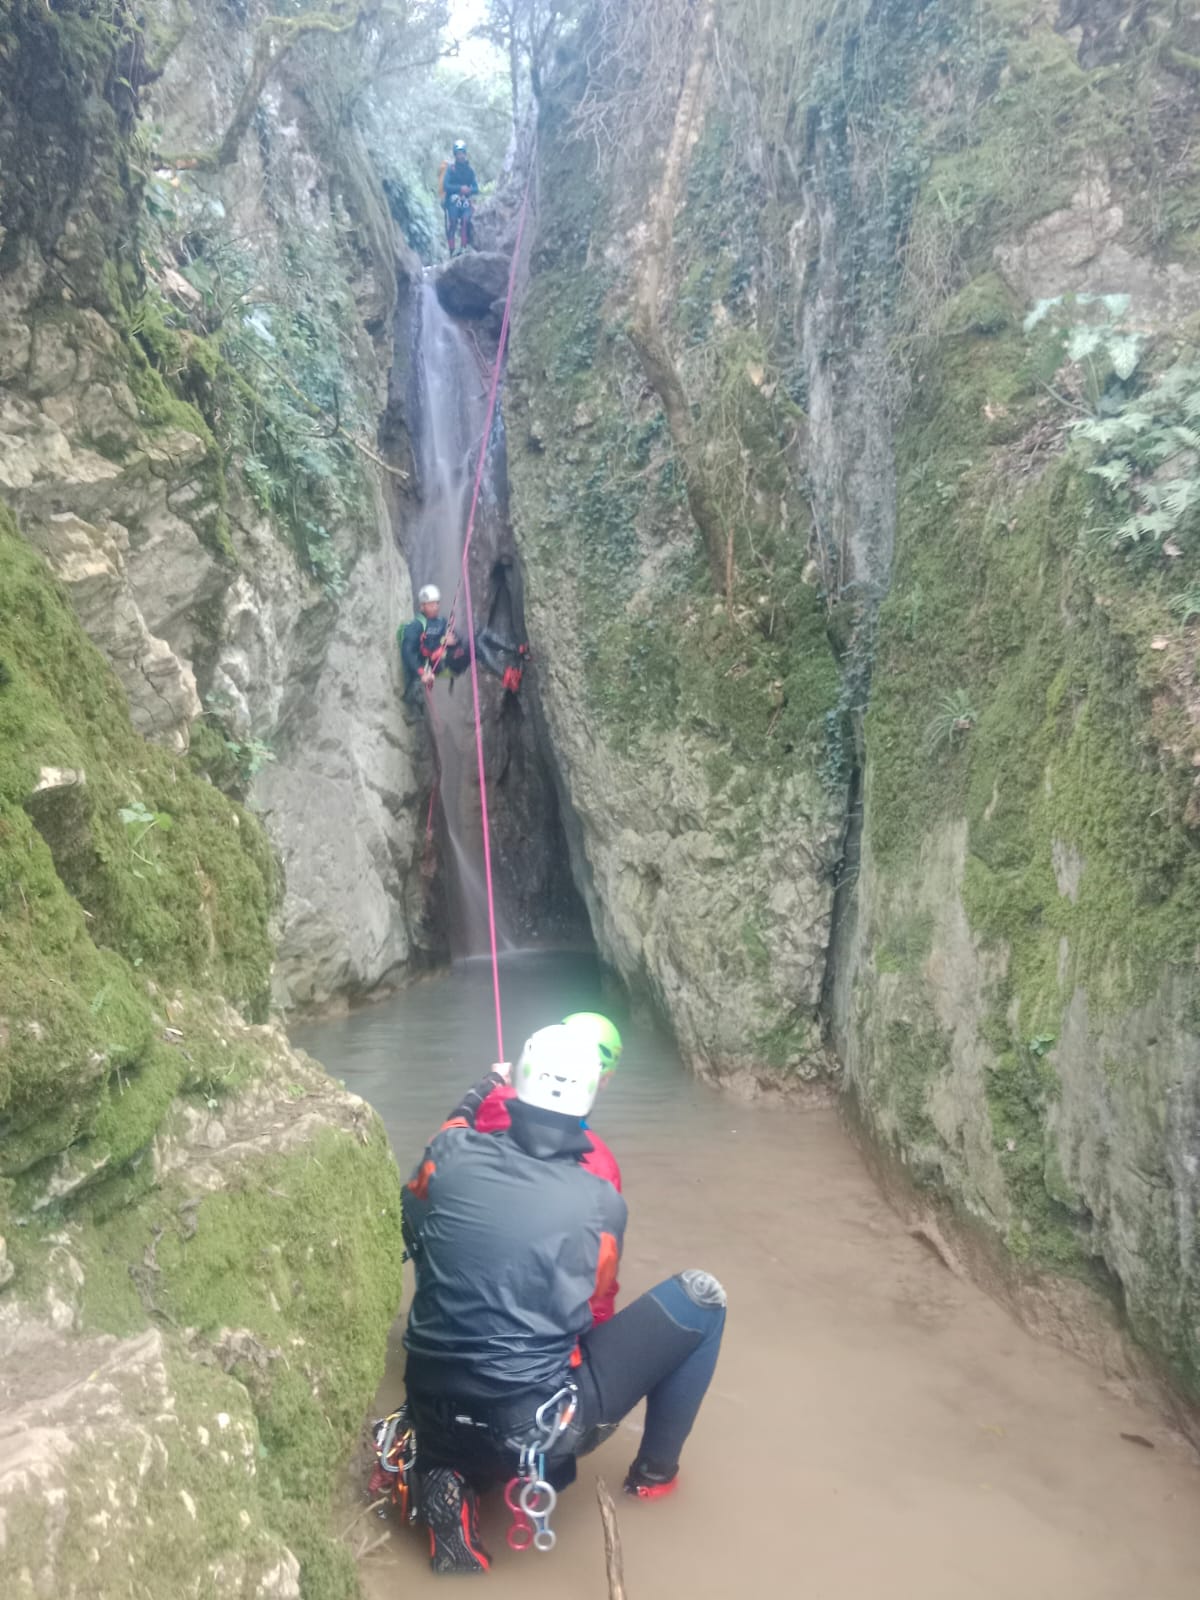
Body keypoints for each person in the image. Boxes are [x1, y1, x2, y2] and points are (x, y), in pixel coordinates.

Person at [400, 1024, 727, 1575]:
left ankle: (448, 1474)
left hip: (430, 1406)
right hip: (528, 1427)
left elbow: (413, 1214)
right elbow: (594, 1299)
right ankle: (653, 1479)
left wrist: (484, 1087)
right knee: (702, 1298)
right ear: (591, 1095)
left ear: (518, 1084)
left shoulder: (447, 1152)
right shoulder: (600, 1202)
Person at [398, 584, 468, 705]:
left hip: (434, 663)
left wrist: (450, 641)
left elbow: (443, 641)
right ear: (422, 606)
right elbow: (408, 652)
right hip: (420, 665)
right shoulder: (417, 625)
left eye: (437, 604)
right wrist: (422, 672)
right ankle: (411, 705)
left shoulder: (441, 622)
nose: (435, 607)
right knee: (415, 692)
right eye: (431, 605)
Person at [438, 139, 479, 254]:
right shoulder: (451, 170)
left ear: (465, 154)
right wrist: (460, 189)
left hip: (465, 202)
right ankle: (452, 251)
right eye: (458, 154)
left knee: (465, 222)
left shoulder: (470, 171)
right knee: (453, 223)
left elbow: (476, 188)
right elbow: (446, 186)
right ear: (455, 155)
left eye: (462, 153)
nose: (460, 156)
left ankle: (463, 248)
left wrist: (469, 190)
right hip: (453, 202)